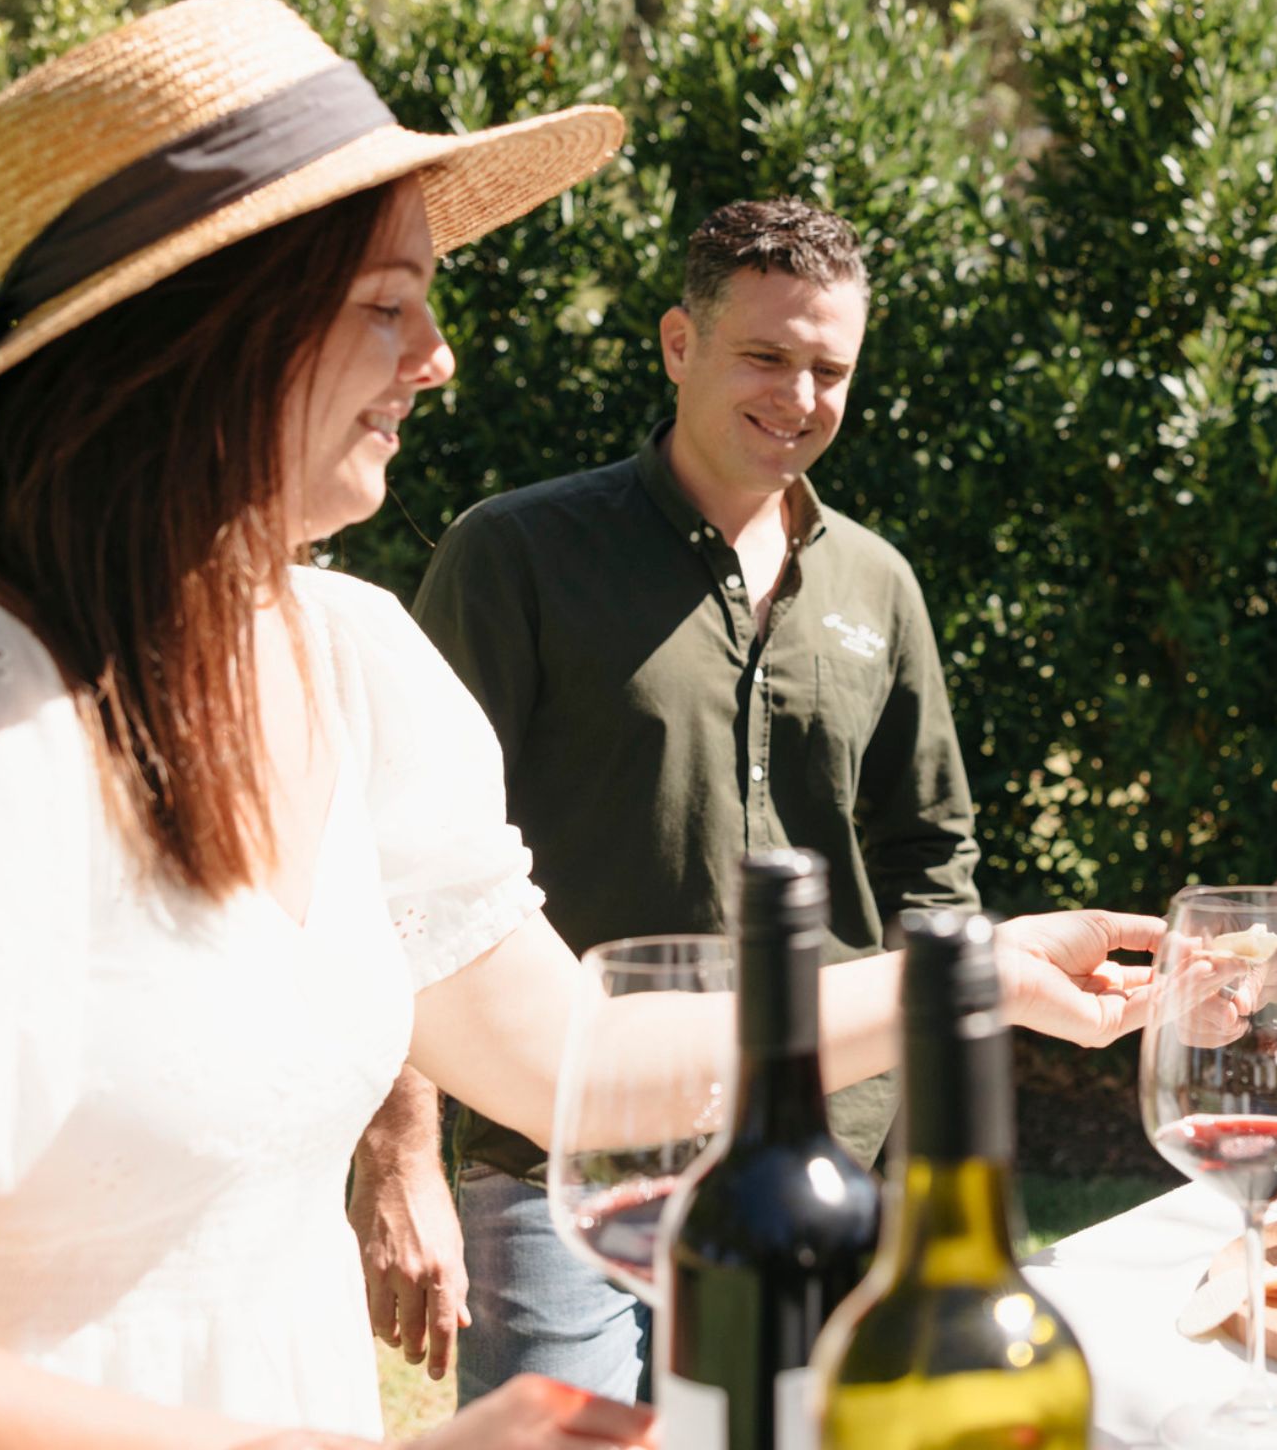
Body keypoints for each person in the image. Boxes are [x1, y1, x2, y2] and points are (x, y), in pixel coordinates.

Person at [0, 0, 1158, 1450]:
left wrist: (979, 973)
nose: (437, 359)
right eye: (388, 307)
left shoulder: (348, 659)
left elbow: (587, 1070)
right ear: (201, 338)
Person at [346, 199, 980, 1407]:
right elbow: (394, 879)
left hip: (812, 1165)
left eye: (829, 367)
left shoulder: (879, 587)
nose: (799, 395)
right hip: (558, 1167)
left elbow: (929, 865)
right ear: (678, 344)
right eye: (766, 355)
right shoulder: (516, 555)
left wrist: (915, 1135)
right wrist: (400, 1152)